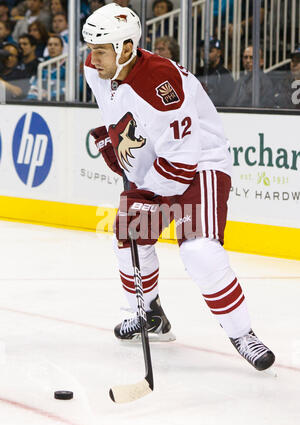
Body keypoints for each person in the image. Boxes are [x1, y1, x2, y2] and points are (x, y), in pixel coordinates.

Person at [82, 3, 275, 372]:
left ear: (125, 48)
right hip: (158, 161)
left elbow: (182, 162)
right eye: (91, 48)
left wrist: (145, 194)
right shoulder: (97, 67)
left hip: (199, 162)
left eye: (101, 49)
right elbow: (116, 110)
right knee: (129, 237)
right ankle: (150, 314)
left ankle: (242, 333)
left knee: (199, 249)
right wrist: (120, 148)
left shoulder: (160, 86)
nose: (93, 58)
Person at [197, 37, 234, 107]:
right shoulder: (198, 73)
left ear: (219, 53)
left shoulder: (224, 75)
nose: (205, 54)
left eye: (210, 51)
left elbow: (225, 101)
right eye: (203, 50)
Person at [27, 34, 65, 100]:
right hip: (39, 99)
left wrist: (49, 94)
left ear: (62, 48)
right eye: (50, 45)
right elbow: (33, 84)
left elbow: (71, 88)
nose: (52, 47)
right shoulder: (41, 64)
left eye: (56, 45)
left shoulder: (69, 66)